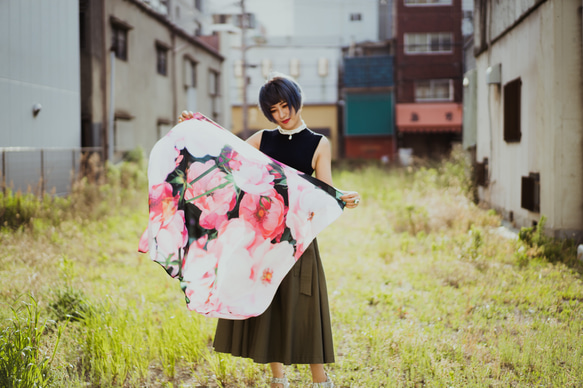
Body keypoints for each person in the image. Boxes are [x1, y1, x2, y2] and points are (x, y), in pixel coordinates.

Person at [179, 73, 360, 388]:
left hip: (298, 236)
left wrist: (343, 196)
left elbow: (324, 189)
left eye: (285, 106)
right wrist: (199, 127)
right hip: (262, 234)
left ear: (295, 100)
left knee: (306, 303)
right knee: (267, 299)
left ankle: (320, 380)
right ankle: (279, 379)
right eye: (274, 111)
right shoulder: (262, 139)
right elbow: (226, 152)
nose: (281, 115)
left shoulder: (319, 143)